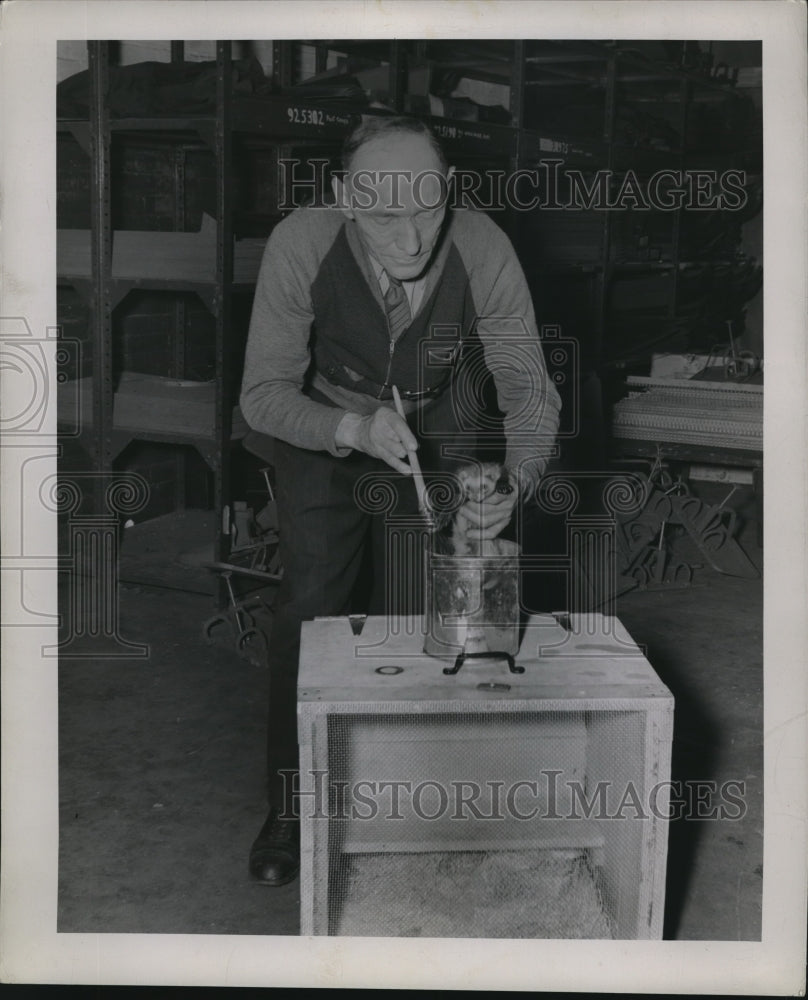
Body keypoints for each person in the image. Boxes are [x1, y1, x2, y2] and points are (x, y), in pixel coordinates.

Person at [239, 115, 562, 885]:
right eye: (386, 215)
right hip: (323, 421)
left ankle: (421, 795)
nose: (413, 239)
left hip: (439, 414)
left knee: (440, 608)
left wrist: (515, 482)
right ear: (347, 199)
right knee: (312, 606)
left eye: (427, 208)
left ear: (448, 192)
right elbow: (261, 396)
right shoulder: (301, 242)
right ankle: (293, 802)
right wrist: (351, 426)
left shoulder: (483, 244)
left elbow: (528, 388)